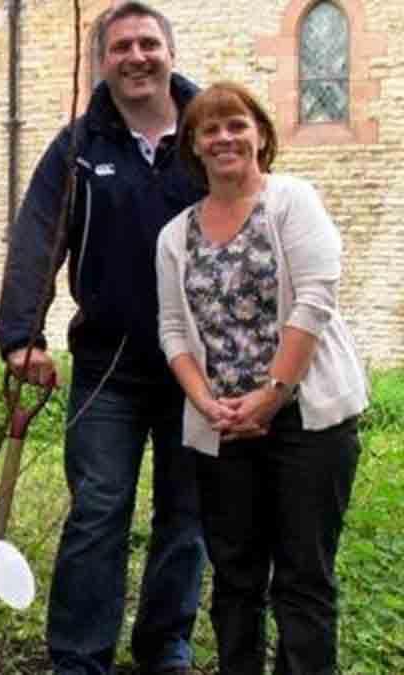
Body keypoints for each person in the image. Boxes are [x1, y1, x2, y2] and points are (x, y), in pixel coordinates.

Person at [0, 2, 207, 673]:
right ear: (101, 62)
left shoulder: (210, 131)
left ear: (170, 53)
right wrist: (21, 335)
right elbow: (37, 236)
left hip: (199, 370)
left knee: (187, 512)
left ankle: (164, 645)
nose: (136, 57)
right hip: (107, 364)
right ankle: (79, 655)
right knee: (99, 507)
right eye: (121, 47)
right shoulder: (79, 145)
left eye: (148, 44)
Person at [156, 81, 368, 675]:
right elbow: (173, 330)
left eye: (236, 124)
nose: (224, 137)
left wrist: (271, 397)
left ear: (260, 135)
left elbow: (315, 301)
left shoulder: (293, 201)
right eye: (209, 128)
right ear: (194, 146)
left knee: (303, 579)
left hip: (308, 422)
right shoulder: (175, 237)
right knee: (234, 578)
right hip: (223, 430)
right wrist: (206, 404)